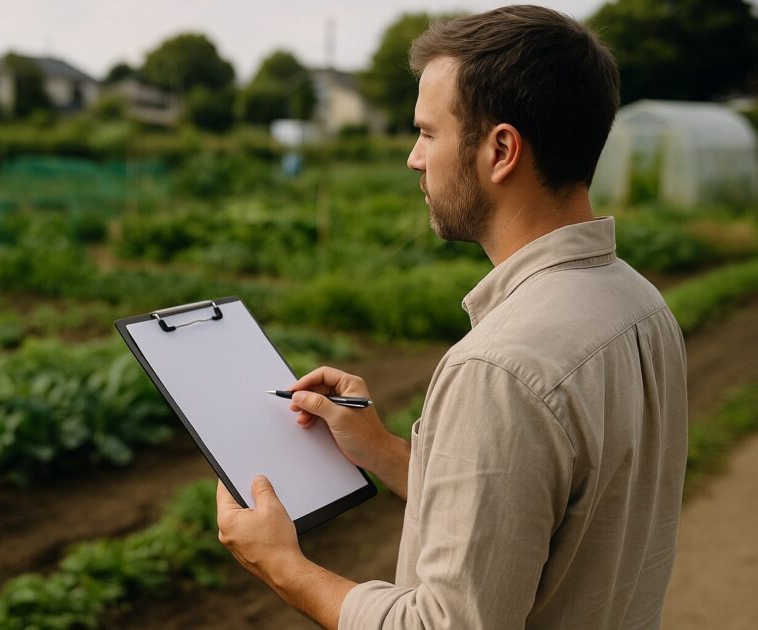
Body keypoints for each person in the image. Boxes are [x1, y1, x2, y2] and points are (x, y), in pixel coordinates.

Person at [215, 5, 688, 629]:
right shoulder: (641, 305)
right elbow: (521, 517)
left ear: (500, 150)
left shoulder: (500, 369)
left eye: (428, 133)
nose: (414, 158)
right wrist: (381, 452)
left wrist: (282, 564)